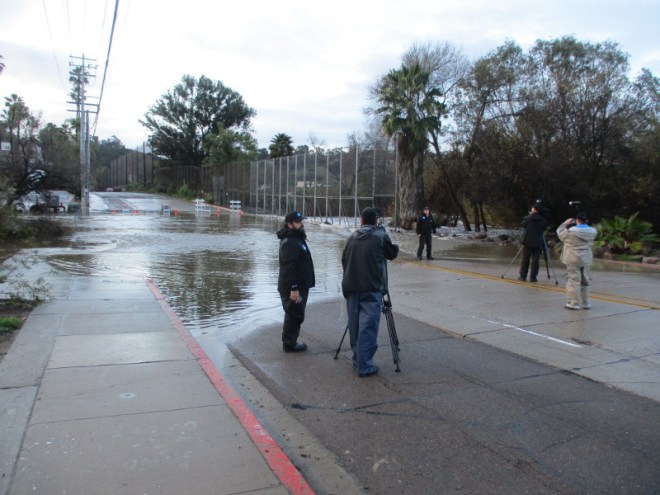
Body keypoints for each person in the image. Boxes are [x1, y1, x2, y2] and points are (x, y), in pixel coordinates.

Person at [342, 207, 399, 377]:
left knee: (355, 325)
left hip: (351, 287)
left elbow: (344, 261)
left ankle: (357, 359)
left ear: (361, 220)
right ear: (375, 221)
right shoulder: (380, 236)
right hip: (371, 288)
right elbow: (392, 254)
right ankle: (364, 366)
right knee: (368, 327)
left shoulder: (351, 237)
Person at [277, 211, 315, 352]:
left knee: (295, 313)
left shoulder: (296, 238)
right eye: (298, 222)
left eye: (301, 221)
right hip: (293, 287)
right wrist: (293, 287)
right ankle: (289, 344)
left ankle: (290, 341)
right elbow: (288, 267)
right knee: (294, 314)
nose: (302, 224)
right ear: (290, 224)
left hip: (299, 285)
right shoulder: (290, 242)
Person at [556, 212, 598, 310]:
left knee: (573, 281)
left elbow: (559, 232)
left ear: (577, 220)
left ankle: (573, 303)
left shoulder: (570, 233)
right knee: (585, 280)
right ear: (586, 220)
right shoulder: (592, 232)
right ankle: (586, 302)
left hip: (573, 259)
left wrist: (565, 223)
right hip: (586, 258)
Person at [518, 204, 548, 282]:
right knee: (535, 261)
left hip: (527, 241)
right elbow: (544, 228)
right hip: (538, 242)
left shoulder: (527, 218)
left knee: (525, 260)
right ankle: (533, 277)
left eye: (532, 208)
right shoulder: (542, 219)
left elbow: (523, 225)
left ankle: (523, 276)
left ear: (534, 210)